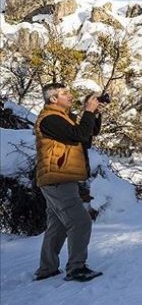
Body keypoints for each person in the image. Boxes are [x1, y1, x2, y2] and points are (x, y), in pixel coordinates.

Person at [32, 83, 103, 282]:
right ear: (53, 99)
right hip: (58, 179)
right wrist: (87, 111)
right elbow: (79, 134)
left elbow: (85, 138)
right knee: (80, 221)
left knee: (58, 225)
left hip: (58, 179)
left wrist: (94, 114)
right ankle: (76, 268)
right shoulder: (50, 119)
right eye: (64, 93)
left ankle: (47, 269)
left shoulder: (63, 118)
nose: (70, 96)